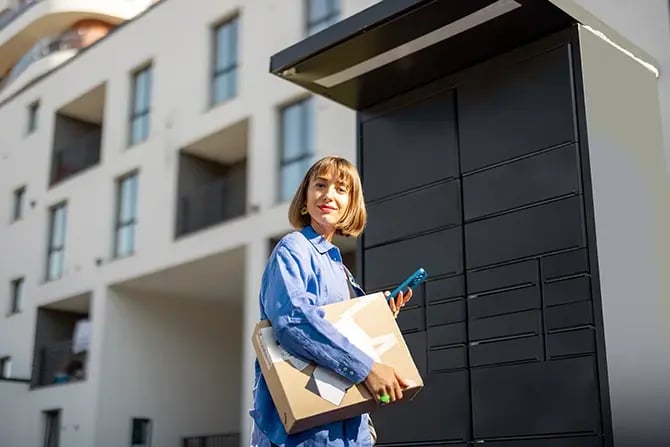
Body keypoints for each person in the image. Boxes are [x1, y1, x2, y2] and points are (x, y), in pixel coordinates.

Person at [249, 156, 412, 447]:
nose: (328, 195)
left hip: (349, 432)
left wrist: (379, 318)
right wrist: (367, 368)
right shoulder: (294, 248)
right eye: (320, 185)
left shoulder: (341, 270)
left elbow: (340, 330)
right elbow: (294, 321)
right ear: (304, 199)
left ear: (351, 204)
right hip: (301, 437)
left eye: (340, 189)